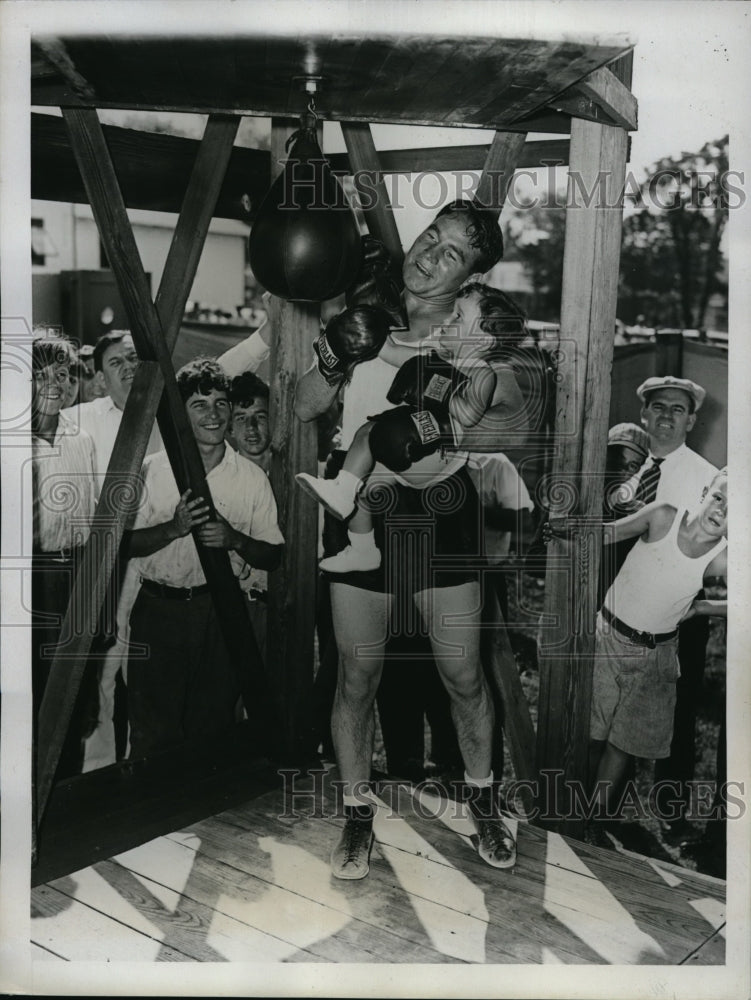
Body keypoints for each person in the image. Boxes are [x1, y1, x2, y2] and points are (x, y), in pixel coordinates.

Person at [294, 199, 523, 878]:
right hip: (360, 504)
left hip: (441, 510)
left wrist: (454, 429)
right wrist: (336, 352)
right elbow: (303, 403)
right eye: (431, 237)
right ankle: (358, 814)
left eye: (452, 252)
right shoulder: (367, 311)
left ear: (472, 279)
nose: (430, 254)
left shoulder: (474, 337)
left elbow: (512, 425)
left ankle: (482, 801)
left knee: (461, 674)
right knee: (355, 676)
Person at [296, 283, 528, 574]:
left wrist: (442, 390)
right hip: (409, 442)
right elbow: (400, 355)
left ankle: (344, 490)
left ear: (482, 340)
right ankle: (362, 547)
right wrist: (369, 339)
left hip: (432, 451)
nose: (447, 320)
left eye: (457, 317)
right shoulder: (438, 354)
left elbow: (468, 416)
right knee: (367, 481)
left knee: (374, 433)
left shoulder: (481, 372)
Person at [123, 358, 284, 758]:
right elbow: (122, 543)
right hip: (158, 611)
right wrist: (172, 529)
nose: (212, 415)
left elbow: (273, 554)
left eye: (220, 404)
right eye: (199, 405)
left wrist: (236, 540)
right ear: (181, 414)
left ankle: (202, 820)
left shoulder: (250, 477)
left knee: (210, 726)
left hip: (219, 609)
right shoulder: (150, 471)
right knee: (152, 729)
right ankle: (156, 818)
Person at [584, 470, 728, 823]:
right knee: (590, 735)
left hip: (655, 658)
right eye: (720, 498)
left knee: (622, 745)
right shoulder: (664, 516)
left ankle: (592, 819)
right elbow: (604, 535)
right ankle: (568, 811)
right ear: (705, 491)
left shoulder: (722, 558)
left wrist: (705, 607)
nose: (723, 512)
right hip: (607, 639)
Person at [613, 376, 720, 845]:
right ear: (645, 414)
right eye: (658, 407)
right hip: (618, 604)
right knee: (611, 705)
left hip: (677, 616)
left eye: (678, 409)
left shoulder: (704, 478)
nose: (667, 416)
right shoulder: (623, 466)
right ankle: (607, 805)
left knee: (674, 709)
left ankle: (670, 811)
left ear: (692, 421)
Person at [67, 330, 163, 770]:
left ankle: (146, 772)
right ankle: (97, 774)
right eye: (115, 363)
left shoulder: (170, 415)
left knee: (151, 676)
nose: (127, 369)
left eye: (133, 360)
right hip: (104, 565)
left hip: (160, 563)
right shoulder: (81, 420)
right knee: (100, 674)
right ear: (101, 377)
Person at [31, 330, 99, 777]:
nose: (54, 383)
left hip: (77, 575)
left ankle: (70, 798)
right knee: (34, 696)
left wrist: (99, 600)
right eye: (40, 375)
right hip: (31, 583)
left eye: (62, 372)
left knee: (77, 698)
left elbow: (95, 524)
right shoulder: (10, 443)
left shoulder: (83, 439)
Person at [228, 371, 274, 659]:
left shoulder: (299, 476)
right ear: (229, 428)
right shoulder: (219, 480)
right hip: (238, 606)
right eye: (241, 418)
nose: (252, 427)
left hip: (283, 610)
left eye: (261, 415)